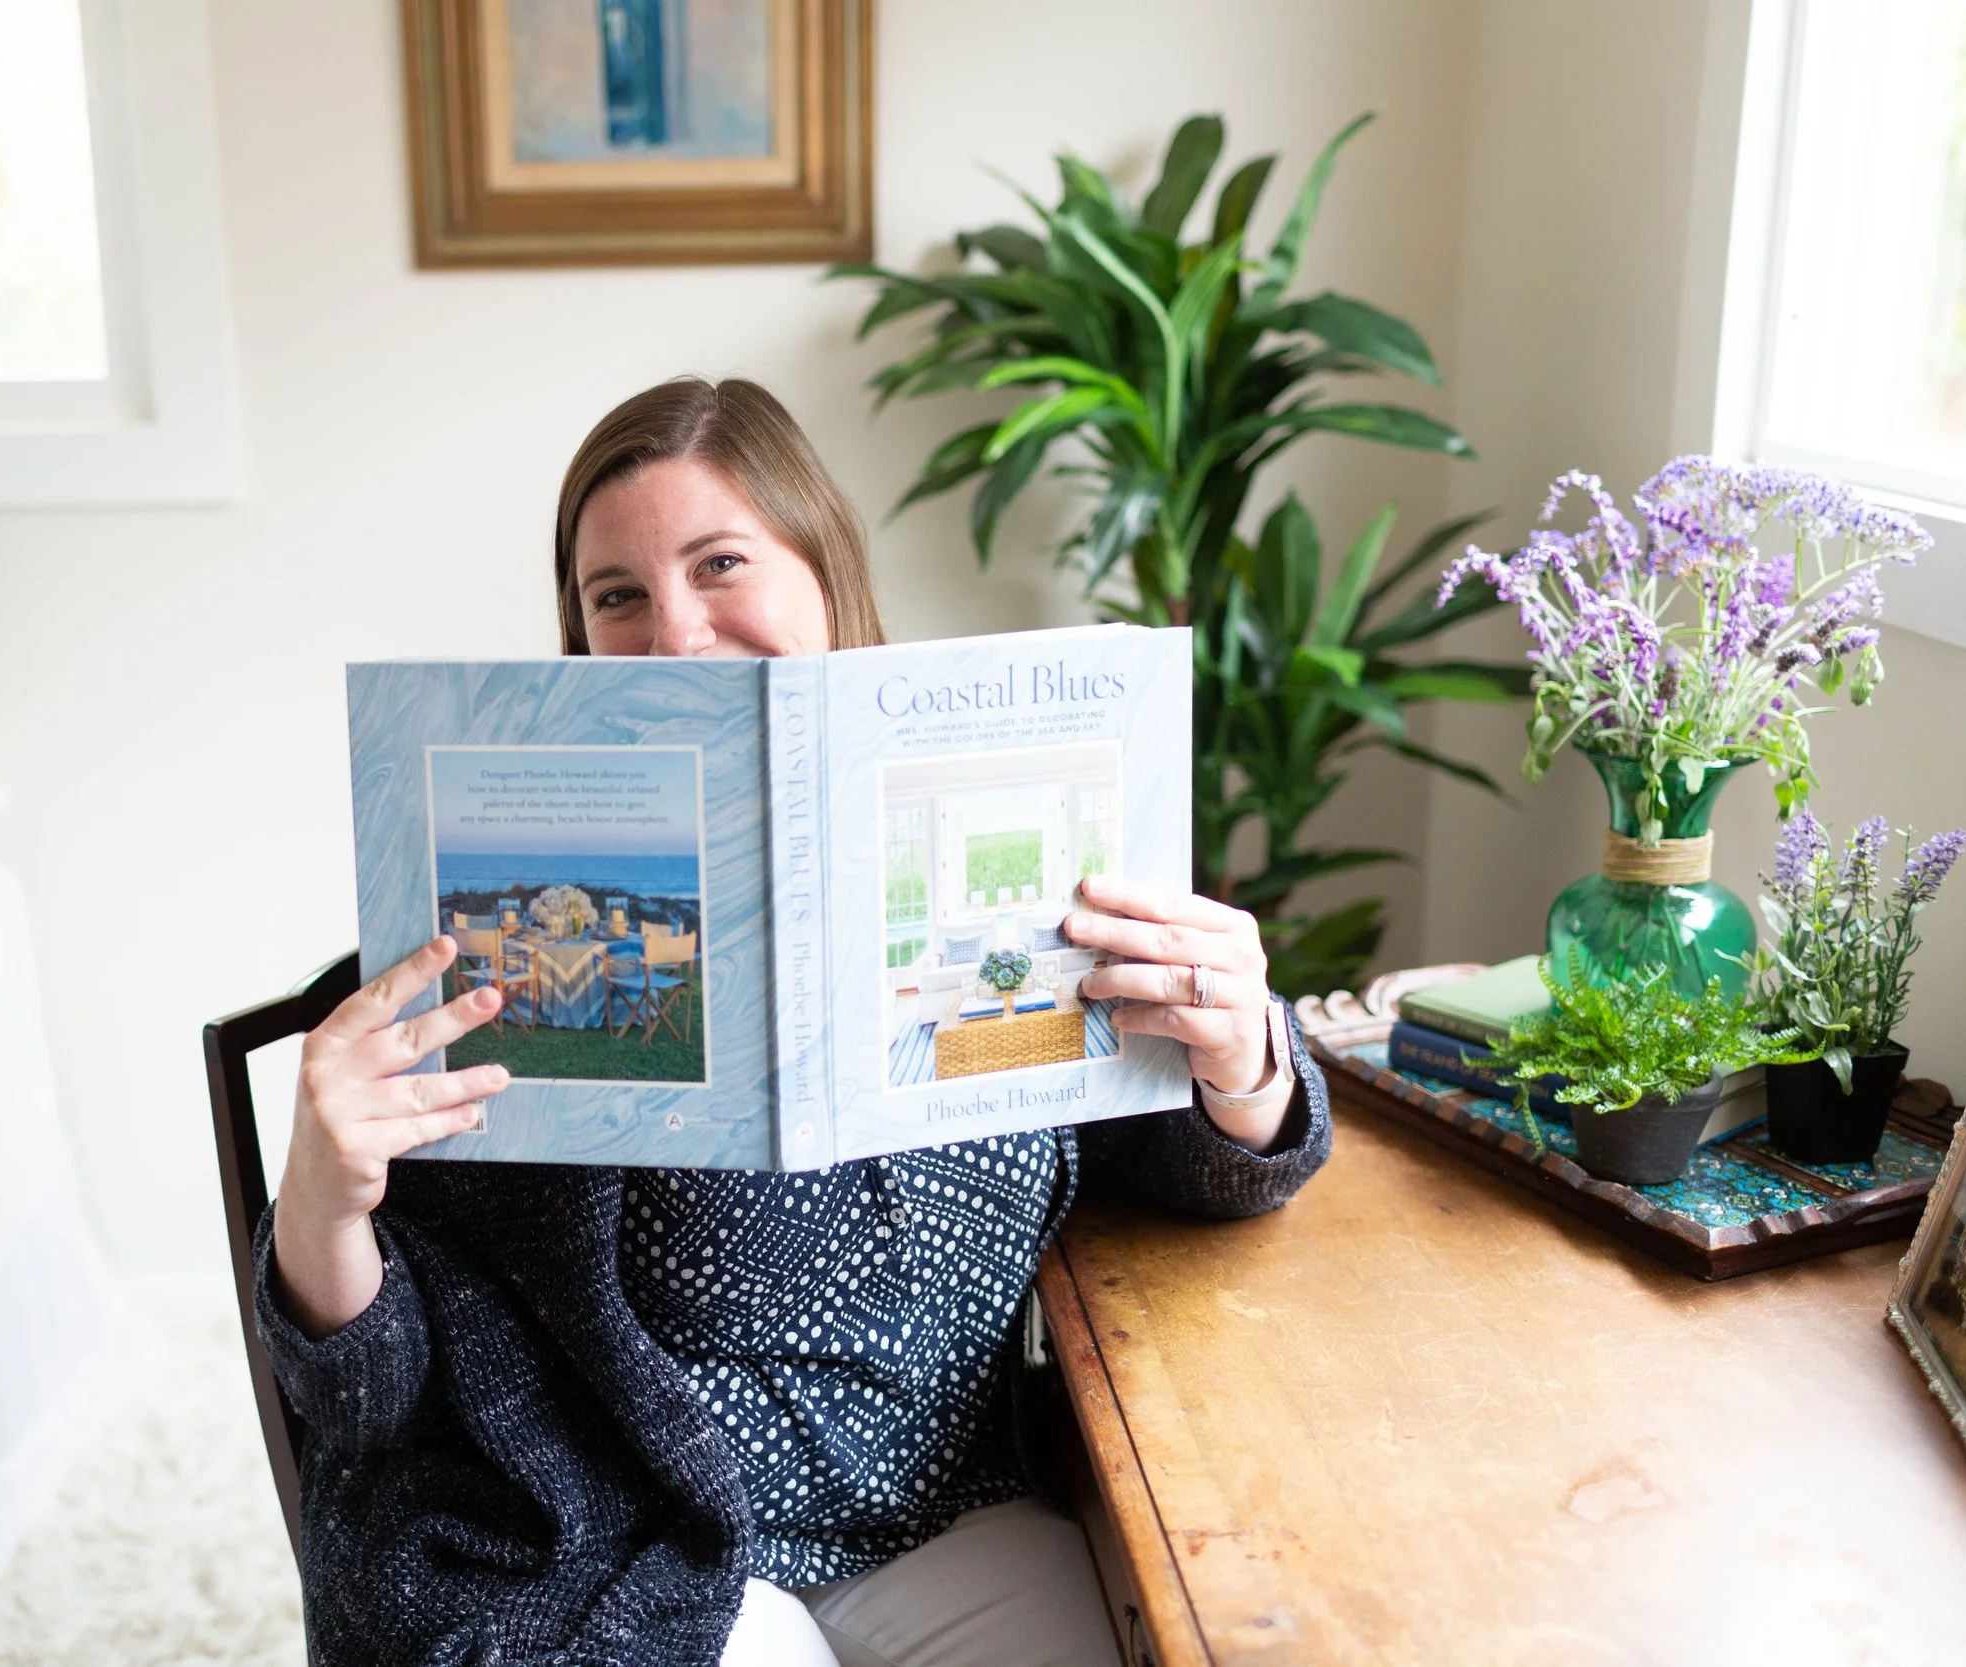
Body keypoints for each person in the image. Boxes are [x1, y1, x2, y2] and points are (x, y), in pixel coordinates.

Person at [255, 378, 1331, 1667]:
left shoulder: (1026, 824)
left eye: (721, 566)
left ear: (825, 572)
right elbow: (373, 1401)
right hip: (610, 1549)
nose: (678, 636)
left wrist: (1242, 1058)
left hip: (942, 1511)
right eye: (619, 597)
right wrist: (318, 1196)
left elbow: (1194, 1174)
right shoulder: (474, 935)